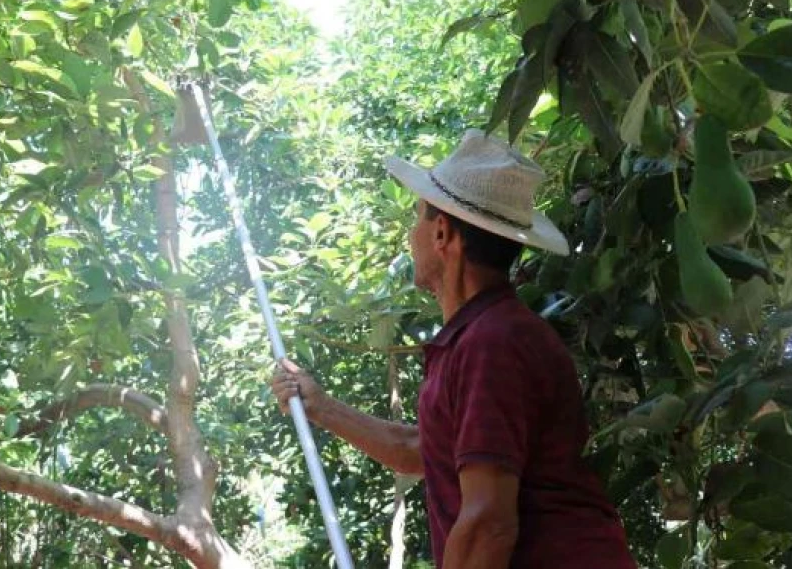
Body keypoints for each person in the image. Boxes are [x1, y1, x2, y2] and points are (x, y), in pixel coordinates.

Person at [271, 130, 636, 568]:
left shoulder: (493, 342)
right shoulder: (483, 335)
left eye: (417, 219)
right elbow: (419, 448)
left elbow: (488, 523)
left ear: (442, 232)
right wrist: (320, 407)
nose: (411, 236)